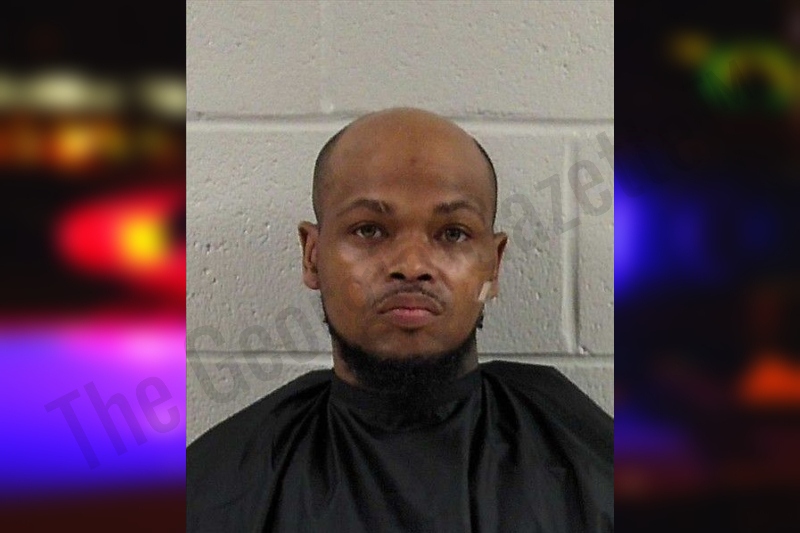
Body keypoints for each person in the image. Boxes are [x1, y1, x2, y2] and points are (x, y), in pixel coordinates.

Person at [186, 108, 613, 532]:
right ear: (312, 256)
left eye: (453, 233)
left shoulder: (587, 461)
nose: (411, 266)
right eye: (369, 230)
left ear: (494, 265)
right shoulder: (217, 488)